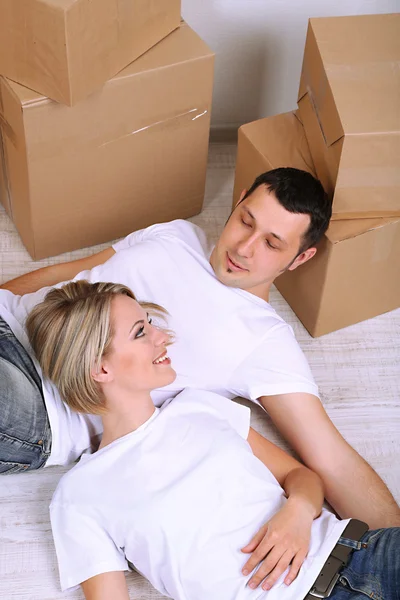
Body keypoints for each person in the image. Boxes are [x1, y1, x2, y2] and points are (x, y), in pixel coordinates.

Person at [0, 168, 399, 529]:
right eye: (246, 221)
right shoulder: (175, 233)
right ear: (239, 200)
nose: (244, 248)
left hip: (39, 402)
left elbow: (334, 460)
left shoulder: (265, 340)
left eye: (272, 244)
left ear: (301, 258)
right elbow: (69, 272)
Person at [25, 280, 400, 600]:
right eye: (141, 332)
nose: (163, 337)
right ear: (100, 368)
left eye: (151, 323)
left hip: (368, 554)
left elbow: (301, 477)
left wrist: (298, 512)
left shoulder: (198, 406)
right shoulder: (79, 496)